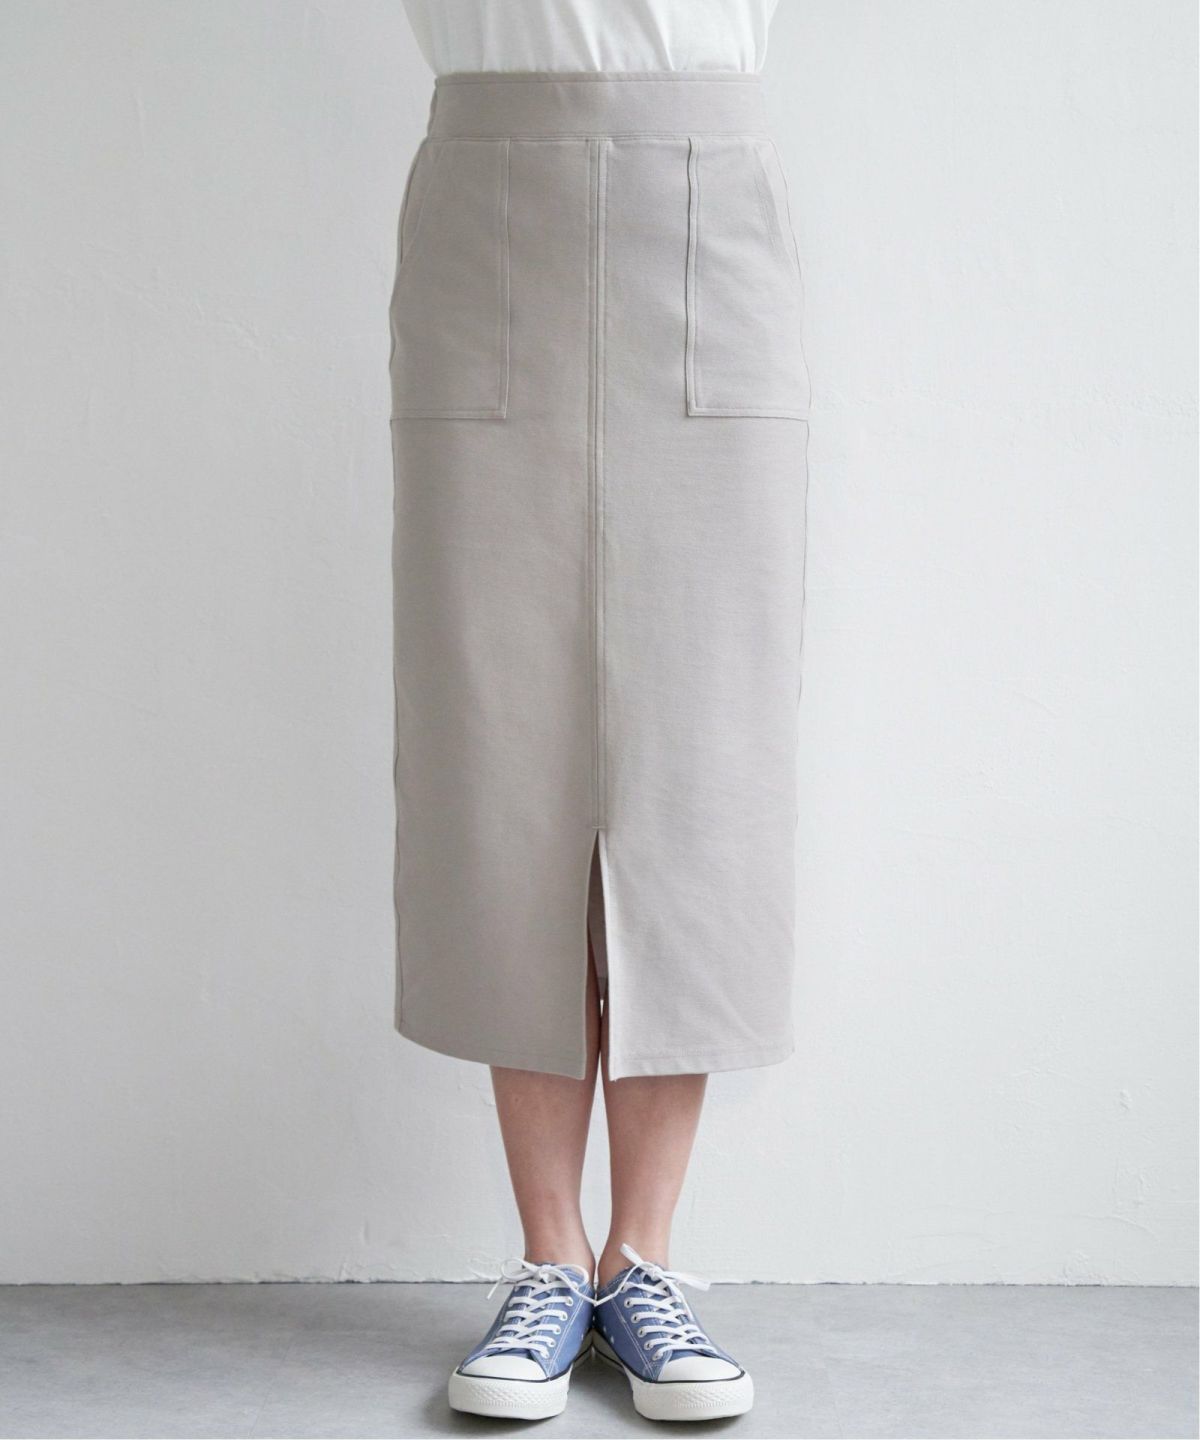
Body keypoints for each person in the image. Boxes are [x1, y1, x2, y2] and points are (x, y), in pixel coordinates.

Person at [389, 0, 810, 1421]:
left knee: (703, 756)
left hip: (708, 207)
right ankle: (550, 1260)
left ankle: (645, 1261)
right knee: (500, 748)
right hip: (489, 209)